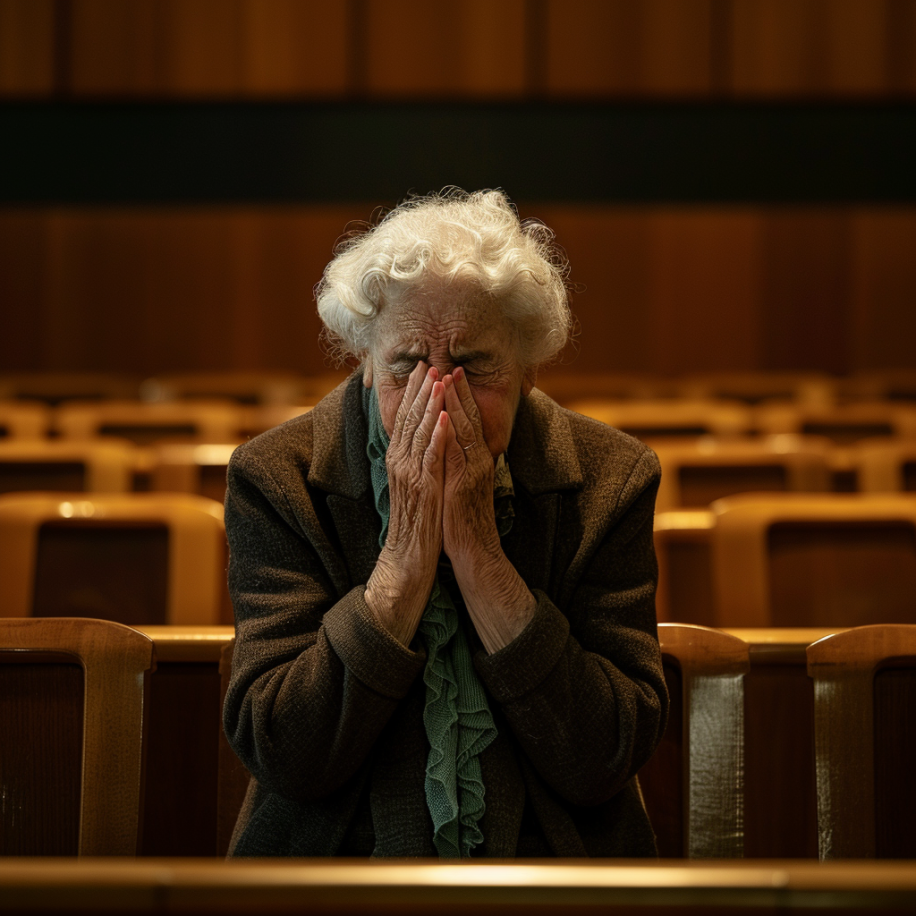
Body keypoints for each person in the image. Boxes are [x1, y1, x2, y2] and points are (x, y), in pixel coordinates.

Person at [222, 188, 668, 858]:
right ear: (366, 365)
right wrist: (402, 565)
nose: (438, 397)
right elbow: (283, 749)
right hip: (333, 874)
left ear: (527, 369)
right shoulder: (276, 478)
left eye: (471, 365)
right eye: (406, 364)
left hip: (552, 872)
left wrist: (481, 556)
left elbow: (606, 752)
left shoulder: (613, 478)